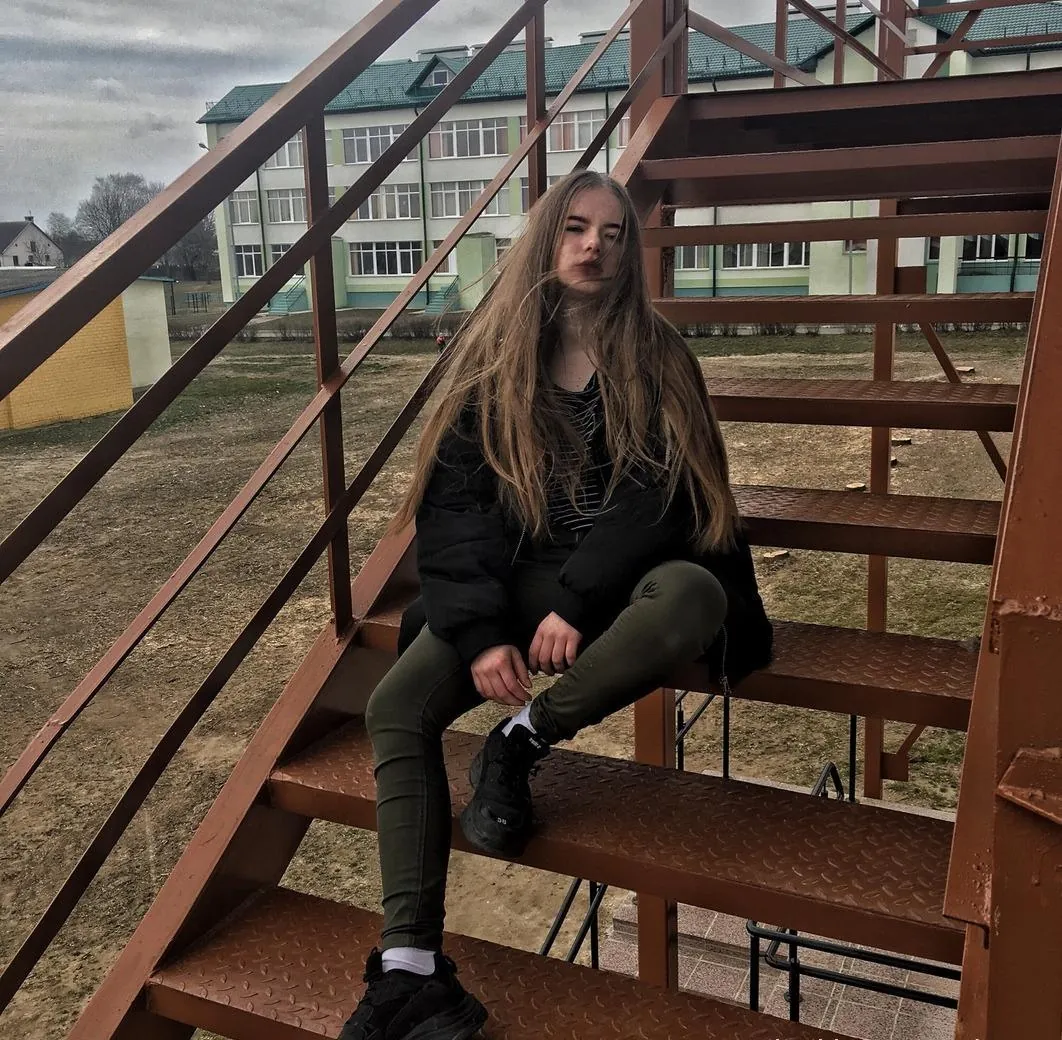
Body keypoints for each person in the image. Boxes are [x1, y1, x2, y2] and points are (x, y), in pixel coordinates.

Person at [339, 169, 773, 1040]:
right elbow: (456, 507)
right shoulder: (493, 357)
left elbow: (664, 496)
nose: (593, 247)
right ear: (545, 239)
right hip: (526, 577)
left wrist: (576, 602)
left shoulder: (657, 354)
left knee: (694, 596)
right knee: (395, 704)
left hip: (637, 575)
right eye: (575, 228)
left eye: (613, 234)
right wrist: (479, 632)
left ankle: (522, 739)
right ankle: (412, 969)